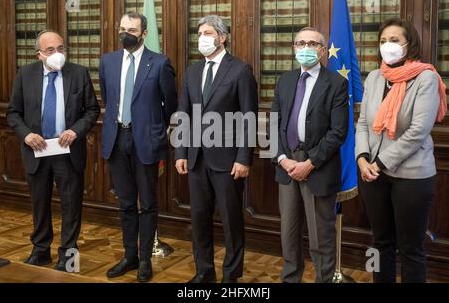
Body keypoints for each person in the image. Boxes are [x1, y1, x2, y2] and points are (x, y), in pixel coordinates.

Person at [355, 18, 447, 283]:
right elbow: (363, 123)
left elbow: (418, 130)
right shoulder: (374, 77)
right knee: (379, 243)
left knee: (410, 249)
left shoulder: (425, 77)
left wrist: (380, 162)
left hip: (412, 176)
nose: (388, 45)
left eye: (394, 40)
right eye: (383, 41)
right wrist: (362, 158)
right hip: (372, 175)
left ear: (410, 44)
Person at [7, 30, 100, 272]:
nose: (57, 54)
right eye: (50, 50)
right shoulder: (24, 75)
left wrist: (75, 131)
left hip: (67, 151)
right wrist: (26, 134)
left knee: (71, 206)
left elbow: (92, 110)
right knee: (39, 204)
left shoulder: (78, 73)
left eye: (61, 48)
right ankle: (40, 252)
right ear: (39, 54)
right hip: (37, 150)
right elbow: (13, 113)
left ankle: (68, 258)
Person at [175, 15, 258, 283]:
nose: (202, 38)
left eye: (207, 33)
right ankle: (204, 272)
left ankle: (230, 277)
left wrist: (244, 158)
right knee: (199, 220)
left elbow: (249, 118)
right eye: (199, 33)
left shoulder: (240, 70)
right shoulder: (192, 71)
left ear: (222, 37)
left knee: (232, 222)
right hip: (197, 160)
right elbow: (183, 114)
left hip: (229, 161)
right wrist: (180, 152)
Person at [99, 12, 177, 282]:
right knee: (125, 203)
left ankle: (145, 259)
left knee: (148, 204)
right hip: (116, 139)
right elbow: (109, 101)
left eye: (132, 29)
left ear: (144, 33)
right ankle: (129, 255)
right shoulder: (107, 61)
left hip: (146, 141)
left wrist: (156, 130)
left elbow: (171, 105)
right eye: (122, 28)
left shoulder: (160, 62)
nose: (125, 33)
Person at [271, 27, 349, 283]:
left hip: (318, 167)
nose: (306, 48)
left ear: (323, 51)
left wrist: (310, 163)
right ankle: (290, 279)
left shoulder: (337, 83)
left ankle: (323, 280)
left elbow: (338, 132)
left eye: (313, 44)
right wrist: (283, 159)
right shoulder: (284, 80)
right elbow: (274, 124)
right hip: (287, 165)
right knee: (288, 234)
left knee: (320, 238)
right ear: (294, 48)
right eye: (300, 43)